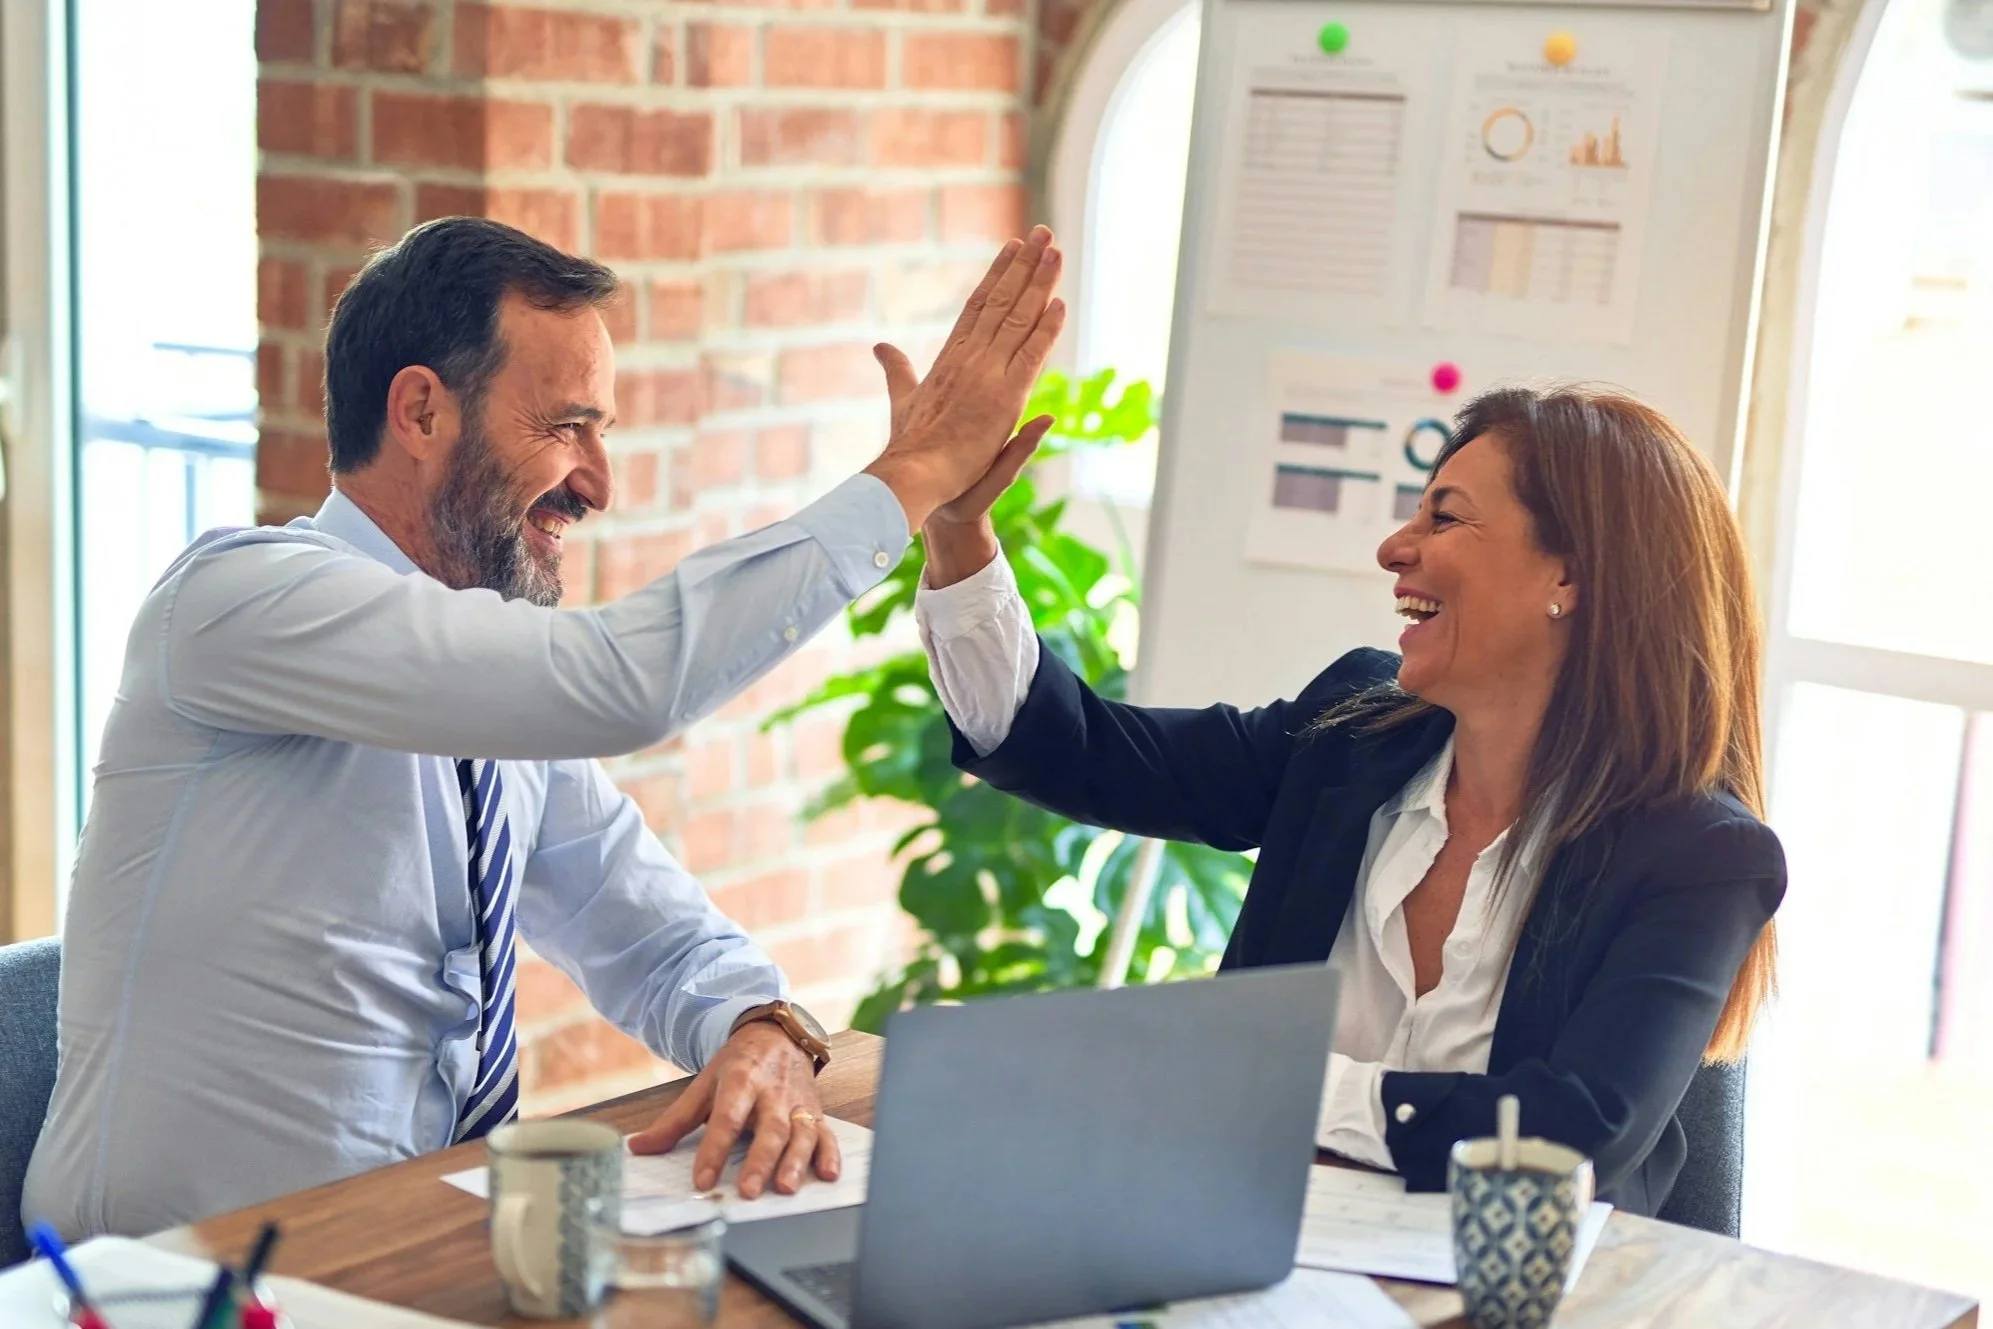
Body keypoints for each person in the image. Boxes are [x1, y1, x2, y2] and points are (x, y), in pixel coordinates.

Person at [25, 215, 1067, 1238]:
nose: (599, 484)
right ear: (422, 413)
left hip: (400, 1260)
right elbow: (623, 683)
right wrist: (914, 475)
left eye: (601, 431)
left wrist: (762, 1028)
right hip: (168, 1287)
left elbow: (653, 934)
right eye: (567, 424)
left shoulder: (489, 701)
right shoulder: (239, 603)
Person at [912, 384, 1785, 1215]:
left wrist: (1273, 1081)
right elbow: (1077, 749)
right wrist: (958, 529)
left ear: (1569, 577)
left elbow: (1569, 1137)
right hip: (1251, 1255)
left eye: (1443, 516)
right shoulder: (1351, 736)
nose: (1394, 547)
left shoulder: (1698, 855)